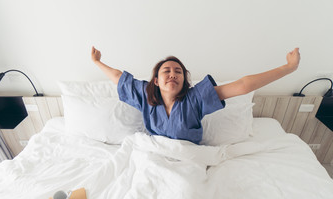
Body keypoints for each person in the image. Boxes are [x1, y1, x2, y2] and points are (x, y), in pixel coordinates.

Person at [91, 46, 300, 144]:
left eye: (178, 72)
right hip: (155, 157)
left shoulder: (196, 98)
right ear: (156, 80)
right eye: (166, 71)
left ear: (184, 81)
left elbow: (243, 85)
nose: (173, 74)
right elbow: (119, 77)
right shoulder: (146, 95)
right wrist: (97, 62)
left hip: (188, 161)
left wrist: (288, 68)